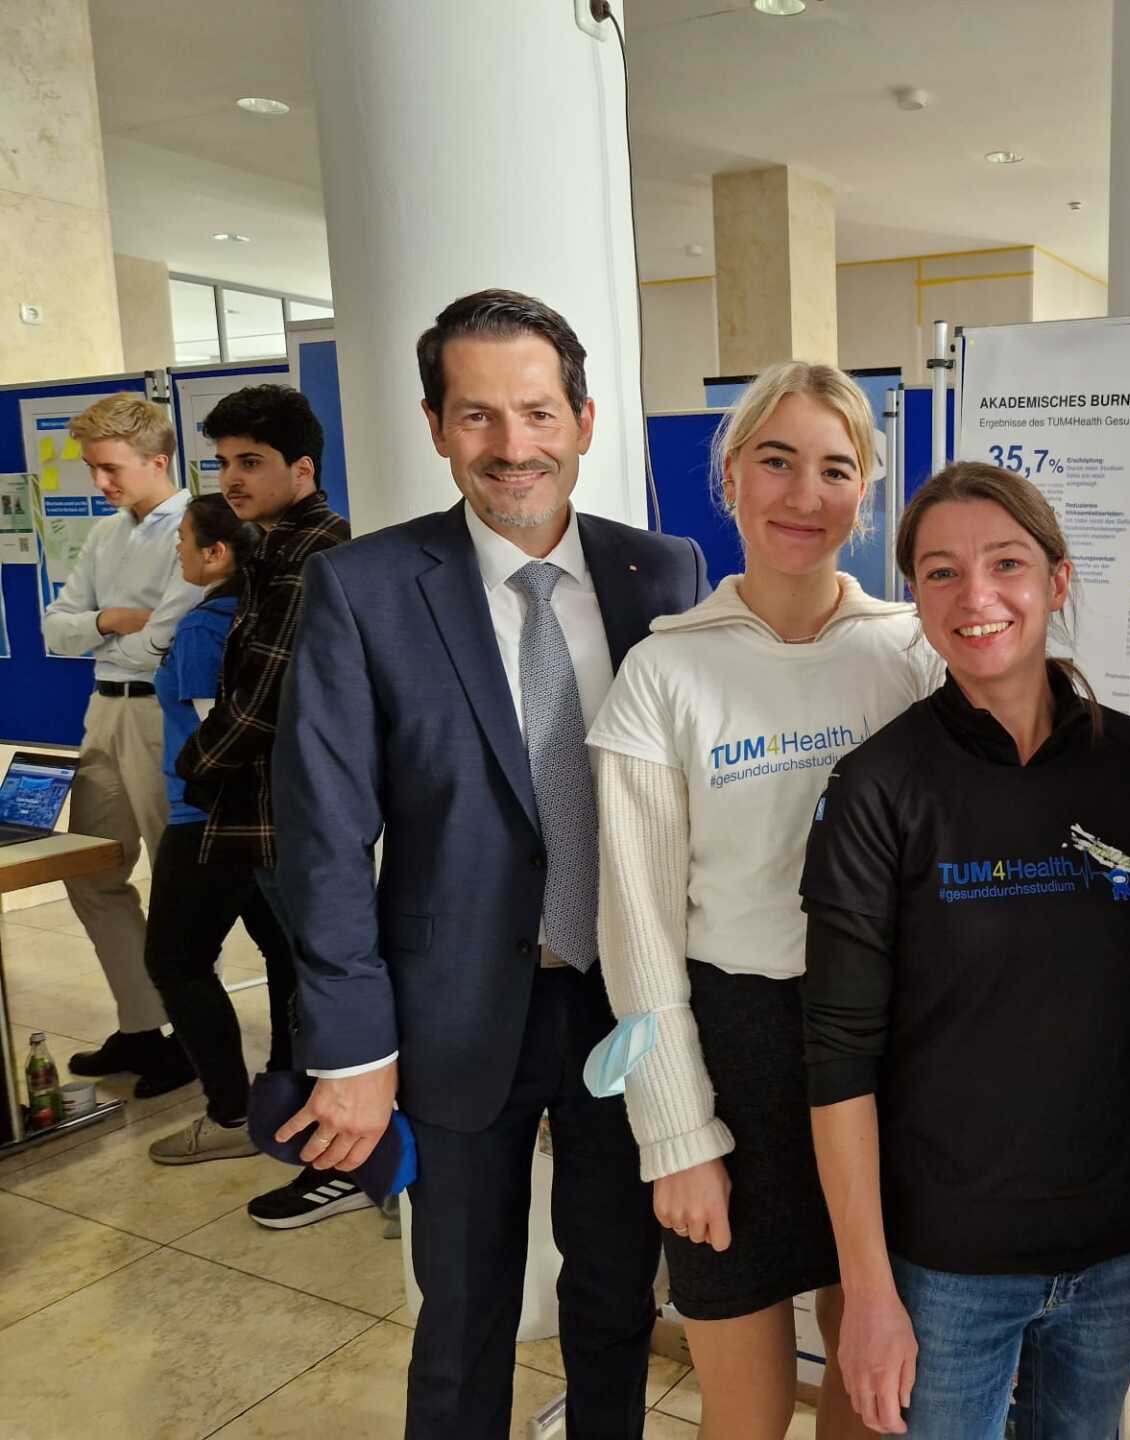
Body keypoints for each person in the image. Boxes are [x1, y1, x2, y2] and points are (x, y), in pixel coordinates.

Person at [271, 289, 707, 1438]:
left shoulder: (665, 573)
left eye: (537, 411)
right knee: (463, 1314)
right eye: (477, 415)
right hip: (456, 1008)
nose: (513, 446)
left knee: (615, 1295)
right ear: (435, 426)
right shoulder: (365, 588)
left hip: (630, 1006)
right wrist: (353, 1048)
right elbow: (322, 834)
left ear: (584, 419)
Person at [799, 462, 1130, 1437]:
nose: (975, 596)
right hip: (948, 1263)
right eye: (941, 572)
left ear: (1058, 580)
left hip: (1118, 1243)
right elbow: (839, 1056)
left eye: (1007, 564)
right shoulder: (878, 787)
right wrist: (868, 1289)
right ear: (917, 597)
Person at [586, 360, 938, 1439]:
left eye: (835, 469)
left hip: (887, 1051)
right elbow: (636, 930)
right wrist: (676, 1134)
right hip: (730, 1050)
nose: (803, 495)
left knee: (871, 1387)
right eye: (777, 462)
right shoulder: (663, 673)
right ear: (731, 476)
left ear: (866, 493)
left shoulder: (911, 654)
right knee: (744, 1410)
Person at [171, 384, 356, 1227]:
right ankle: (328, 1143)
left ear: (302, 469)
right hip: (271, 807)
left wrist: (196, 767)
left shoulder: (314, 555)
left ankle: (346, 1160)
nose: (232, 480)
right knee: (305, 977)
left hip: (298, 810)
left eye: (251, 462)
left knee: (327, 982)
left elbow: (266, 702)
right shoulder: (273, 548)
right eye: (223, 463)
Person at [44, 394, 202, 1097]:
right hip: (102, 713)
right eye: (92, 468)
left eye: (110, 468)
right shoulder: (105, 535)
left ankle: (193, 1036)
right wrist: (110, 620)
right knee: (90, 869)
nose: (99, 482)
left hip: (163, 716)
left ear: (157, 461)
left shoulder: (199, 528)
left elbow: (164, 643)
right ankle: (142, 1024)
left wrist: (107, 631)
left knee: (179, 883)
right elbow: (57, 630)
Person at [142, 495, 299, 1163]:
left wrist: (207, 803)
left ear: (217, 553)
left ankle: (231, 1113)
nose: (177, 550)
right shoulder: (265, 615)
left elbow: (222, 737)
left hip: (209, 822)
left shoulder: (208, 627)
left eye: (183, 539)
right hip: (264, 817)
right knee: (286, 957)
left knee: (174, 961)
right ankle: (289, 1098)